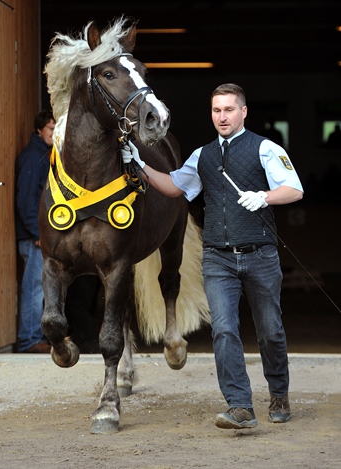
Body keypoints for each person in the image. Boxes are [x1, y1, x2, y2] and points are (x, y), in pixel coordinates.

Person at [121, 83, 303, 429]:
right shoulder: (202, 155)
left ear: (243, 112)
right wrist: (140, 165)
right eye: (217, 110)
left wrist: (264, 196)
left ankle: (279, 392)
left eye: (229, 110)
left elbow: (294, 189)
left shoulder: (266, 149)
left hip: (260, 255)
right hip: (218, 258)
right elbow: (175, 186)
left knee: (271, 332)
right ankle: (239, 406)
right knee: (224, 331)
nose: (222, 116)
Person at [15, 109, 56, 353]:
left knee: (41, 286)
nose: (54, 134)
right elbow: (26, 200)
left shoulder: (46, 155)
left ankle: (36, 337)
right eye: (51, 129)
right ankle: (29, 340)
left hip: (39, 237)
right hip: (33, 238)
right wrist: (37, 233)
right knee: (34, 287)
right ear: (39, 130)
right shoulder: (33, 157)